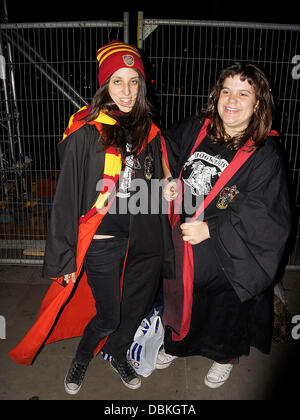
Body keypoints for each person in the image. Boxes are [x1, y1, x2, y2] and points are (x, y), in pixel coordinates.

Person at [9, 40, 174, 395]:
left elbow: (155, 184)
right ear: (104, 85)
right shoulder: (86, 132)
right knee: (109, 315)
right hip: (102, 243)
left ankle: (117, 354)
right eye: (117, 81)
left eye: (134, 81)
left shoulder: (151, 132)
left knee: (134, 310)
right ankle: (83, 357)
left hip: (142, 243)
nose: (126, 91)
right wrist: (65, 256)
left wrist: (168, 190)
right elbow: (66, 199)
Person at [160, 62, 291, 388]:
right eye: (227, 91)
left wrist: (212, 230)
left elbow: (265, 213)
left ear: (258, 103)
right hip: (185, 241)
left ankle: (225, 355)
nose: (232, 100)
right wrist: (167, 181)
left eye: (243, 93)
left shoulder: (264, 153)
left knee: (224, 306)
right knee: (183, 296)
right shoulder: (197, 129)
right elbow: (164, 149)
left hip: (229, 252)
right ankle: (178, 344)